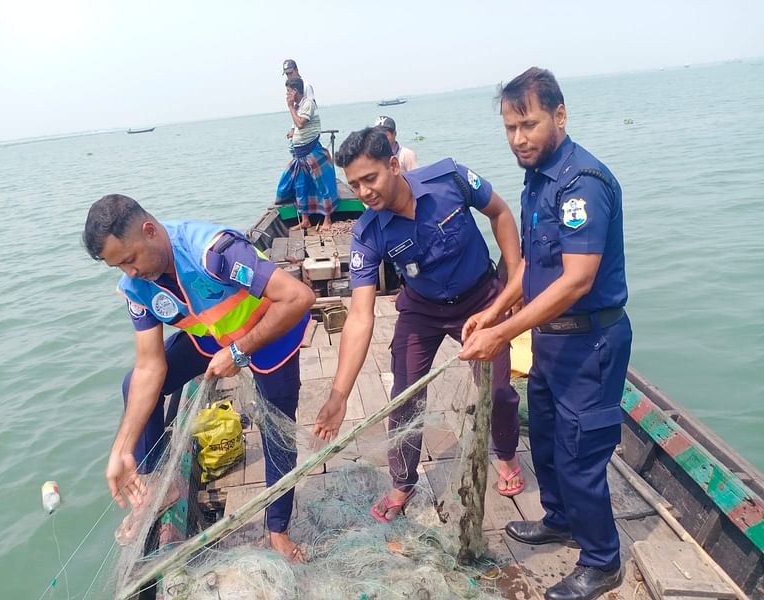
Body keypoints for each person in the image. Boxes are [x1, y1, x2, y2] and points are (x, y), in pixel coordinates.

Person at [460, 67, 632, 600]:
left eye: (529, 124)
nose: (519, 138)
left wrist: (503, 331)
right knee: (551, 445)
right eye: (510, 127)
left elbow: (578, 280)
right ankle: (559, 518)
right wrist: (495, 311)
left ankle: (602, 561)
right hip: (550, 341)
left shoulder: (582, 183)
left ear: (560, 115)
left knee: (581, 454)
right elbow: (533, 268)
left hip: (589, 342)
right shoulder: (538, 180)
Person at [82, 194, 316, 561]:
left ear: (149, 231)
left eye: (129, 260)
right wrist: (121, 449)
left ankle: (278, 529)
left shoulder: (214, 253)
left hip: (272, 330)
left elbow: (299, 297)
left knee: (278, 433)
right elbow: (149, 366)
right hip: (212, 335)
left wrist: (240, 352)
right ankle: (162, 483)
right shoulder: (137, 288)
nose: (129, 273)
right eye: (117, 267)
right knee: (134, 383)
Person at [312, 127, 524, 520]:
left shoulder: (451, 179)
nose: (363, 193)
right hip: (422, 309)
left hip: (482, 297)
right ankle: (403, 481)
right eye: (354, 184)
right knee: (405, 395)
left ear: (394, 164)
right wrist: (339, 395)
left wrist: (513, 283)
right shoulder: (367, 234)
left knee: (497, 390)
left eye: (370, 179)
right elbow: (360, 317)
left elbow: (501, 212)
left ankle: (506, 454)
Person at [276, 78, 338, 232]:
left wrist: (290, 107)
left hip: (312, 153)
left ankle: (327, 219)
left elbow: (301, 123)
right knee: (301, 187)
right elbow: (296, 127)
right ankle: (305, 220)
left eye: (288, 91)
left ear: (295, 91)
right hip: (300, 155)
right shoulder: (298, 106)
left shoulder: (307, 104)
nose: (287, 94)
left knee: (321, 185)